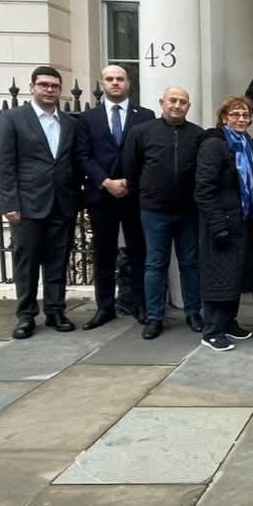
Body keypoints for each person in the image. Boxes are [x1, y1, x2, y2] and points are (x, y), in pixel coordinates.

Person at [0, 66, 79, 339]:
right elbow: (3, 163)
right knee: (26, 263)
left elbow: (74, 163)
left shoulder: (69, 123)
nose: (49, 90)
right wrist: (9, 203)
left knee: (58, 261)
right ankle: (26, 315)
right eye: (44, 85)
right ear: (32, 87)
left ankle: (55, 310)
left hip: (62, 203)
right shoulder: (12, 118)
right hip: (27, 204)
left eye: (54, 86)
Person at [123, 86, 205, 340]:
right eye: (173, 100)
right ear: (162, 102)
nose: (177, 105)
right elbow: (131, 169)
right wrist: (146, 195)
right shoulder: (142, 132)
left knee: (190, 263)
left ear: (188, 106)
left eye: (183, 102)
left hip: (188, 211)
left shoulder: (197, 134)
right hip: (154, 211)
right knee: (155, 264)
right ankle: (155, 316)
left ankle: (193, 312)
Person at [76, 64, 155, 328]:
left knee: (138, 251)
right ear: (102, 83)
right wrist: (106, 182)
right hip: (101, 194)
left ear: (128, 83)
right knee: (103, 252)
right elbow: (83, 156)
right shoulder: (88, 118)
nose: (115, 83)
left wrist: (130, 182)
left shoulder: (145, 116)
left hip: (134, 195)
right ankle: (105, 306)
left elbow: (149, 154)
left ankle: (140, 305)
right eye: (109, 79)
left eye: (120, 79)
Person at [194, 96, 253, 353]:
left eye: (245, 115)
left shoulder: (247, 143)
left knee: (234, 276)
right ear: (223, 118)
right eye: (235, 114)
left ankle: (229, 322)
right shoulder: (213, 144)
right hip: (219, 222)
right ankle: (211, 331)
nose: (241, 119)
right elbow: (204, 189)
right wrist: (218, 223)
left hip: (241, 220)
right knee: (218, 278)